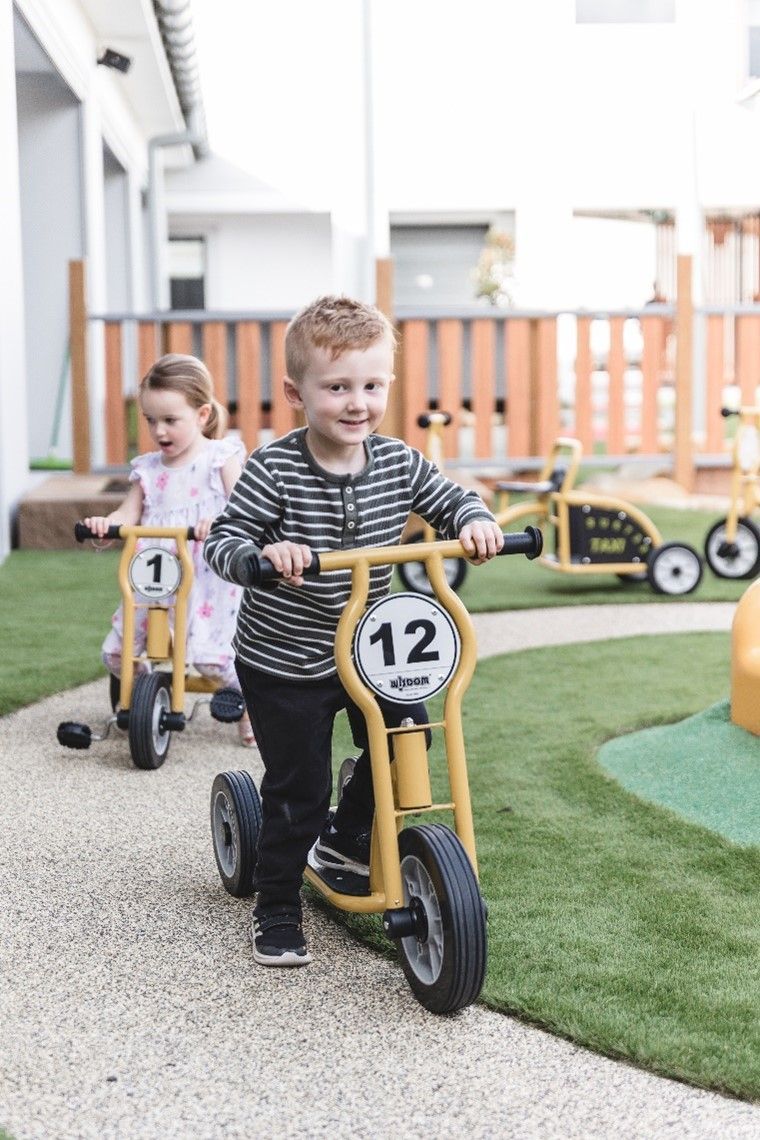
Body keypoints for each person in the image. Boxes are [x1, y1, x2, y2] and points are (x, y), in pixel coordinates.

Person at [204, 295, 504, 966]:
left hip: (369, 651)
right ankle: (277, 901)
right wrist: (263, 560)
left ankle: (347, 833)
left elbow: (451, 498)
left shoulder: (397, 462)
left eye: (370, 386)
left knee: (408, 737)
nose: (356, 402)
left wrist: (474, 522)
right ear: (296, 392)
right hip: (285, 659)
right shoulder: (275, 468)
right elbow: (223, 542)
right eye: (337, 387)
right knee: (297, 790)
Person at [85, 353, 256, 748]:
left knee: (213, 660)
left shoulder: (220, 458)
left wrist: (220, 523)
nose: (159, 430)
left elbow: (244, 509)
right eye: (150, 420)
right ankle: (148, 695)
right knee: (118, 653)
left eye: (170, 420)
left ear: (201, 415)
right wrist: (106, 525)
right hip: (153, 573)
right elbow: (128, 512)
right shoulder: (148, 469)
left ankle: (251, 705)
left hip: (206, 578)